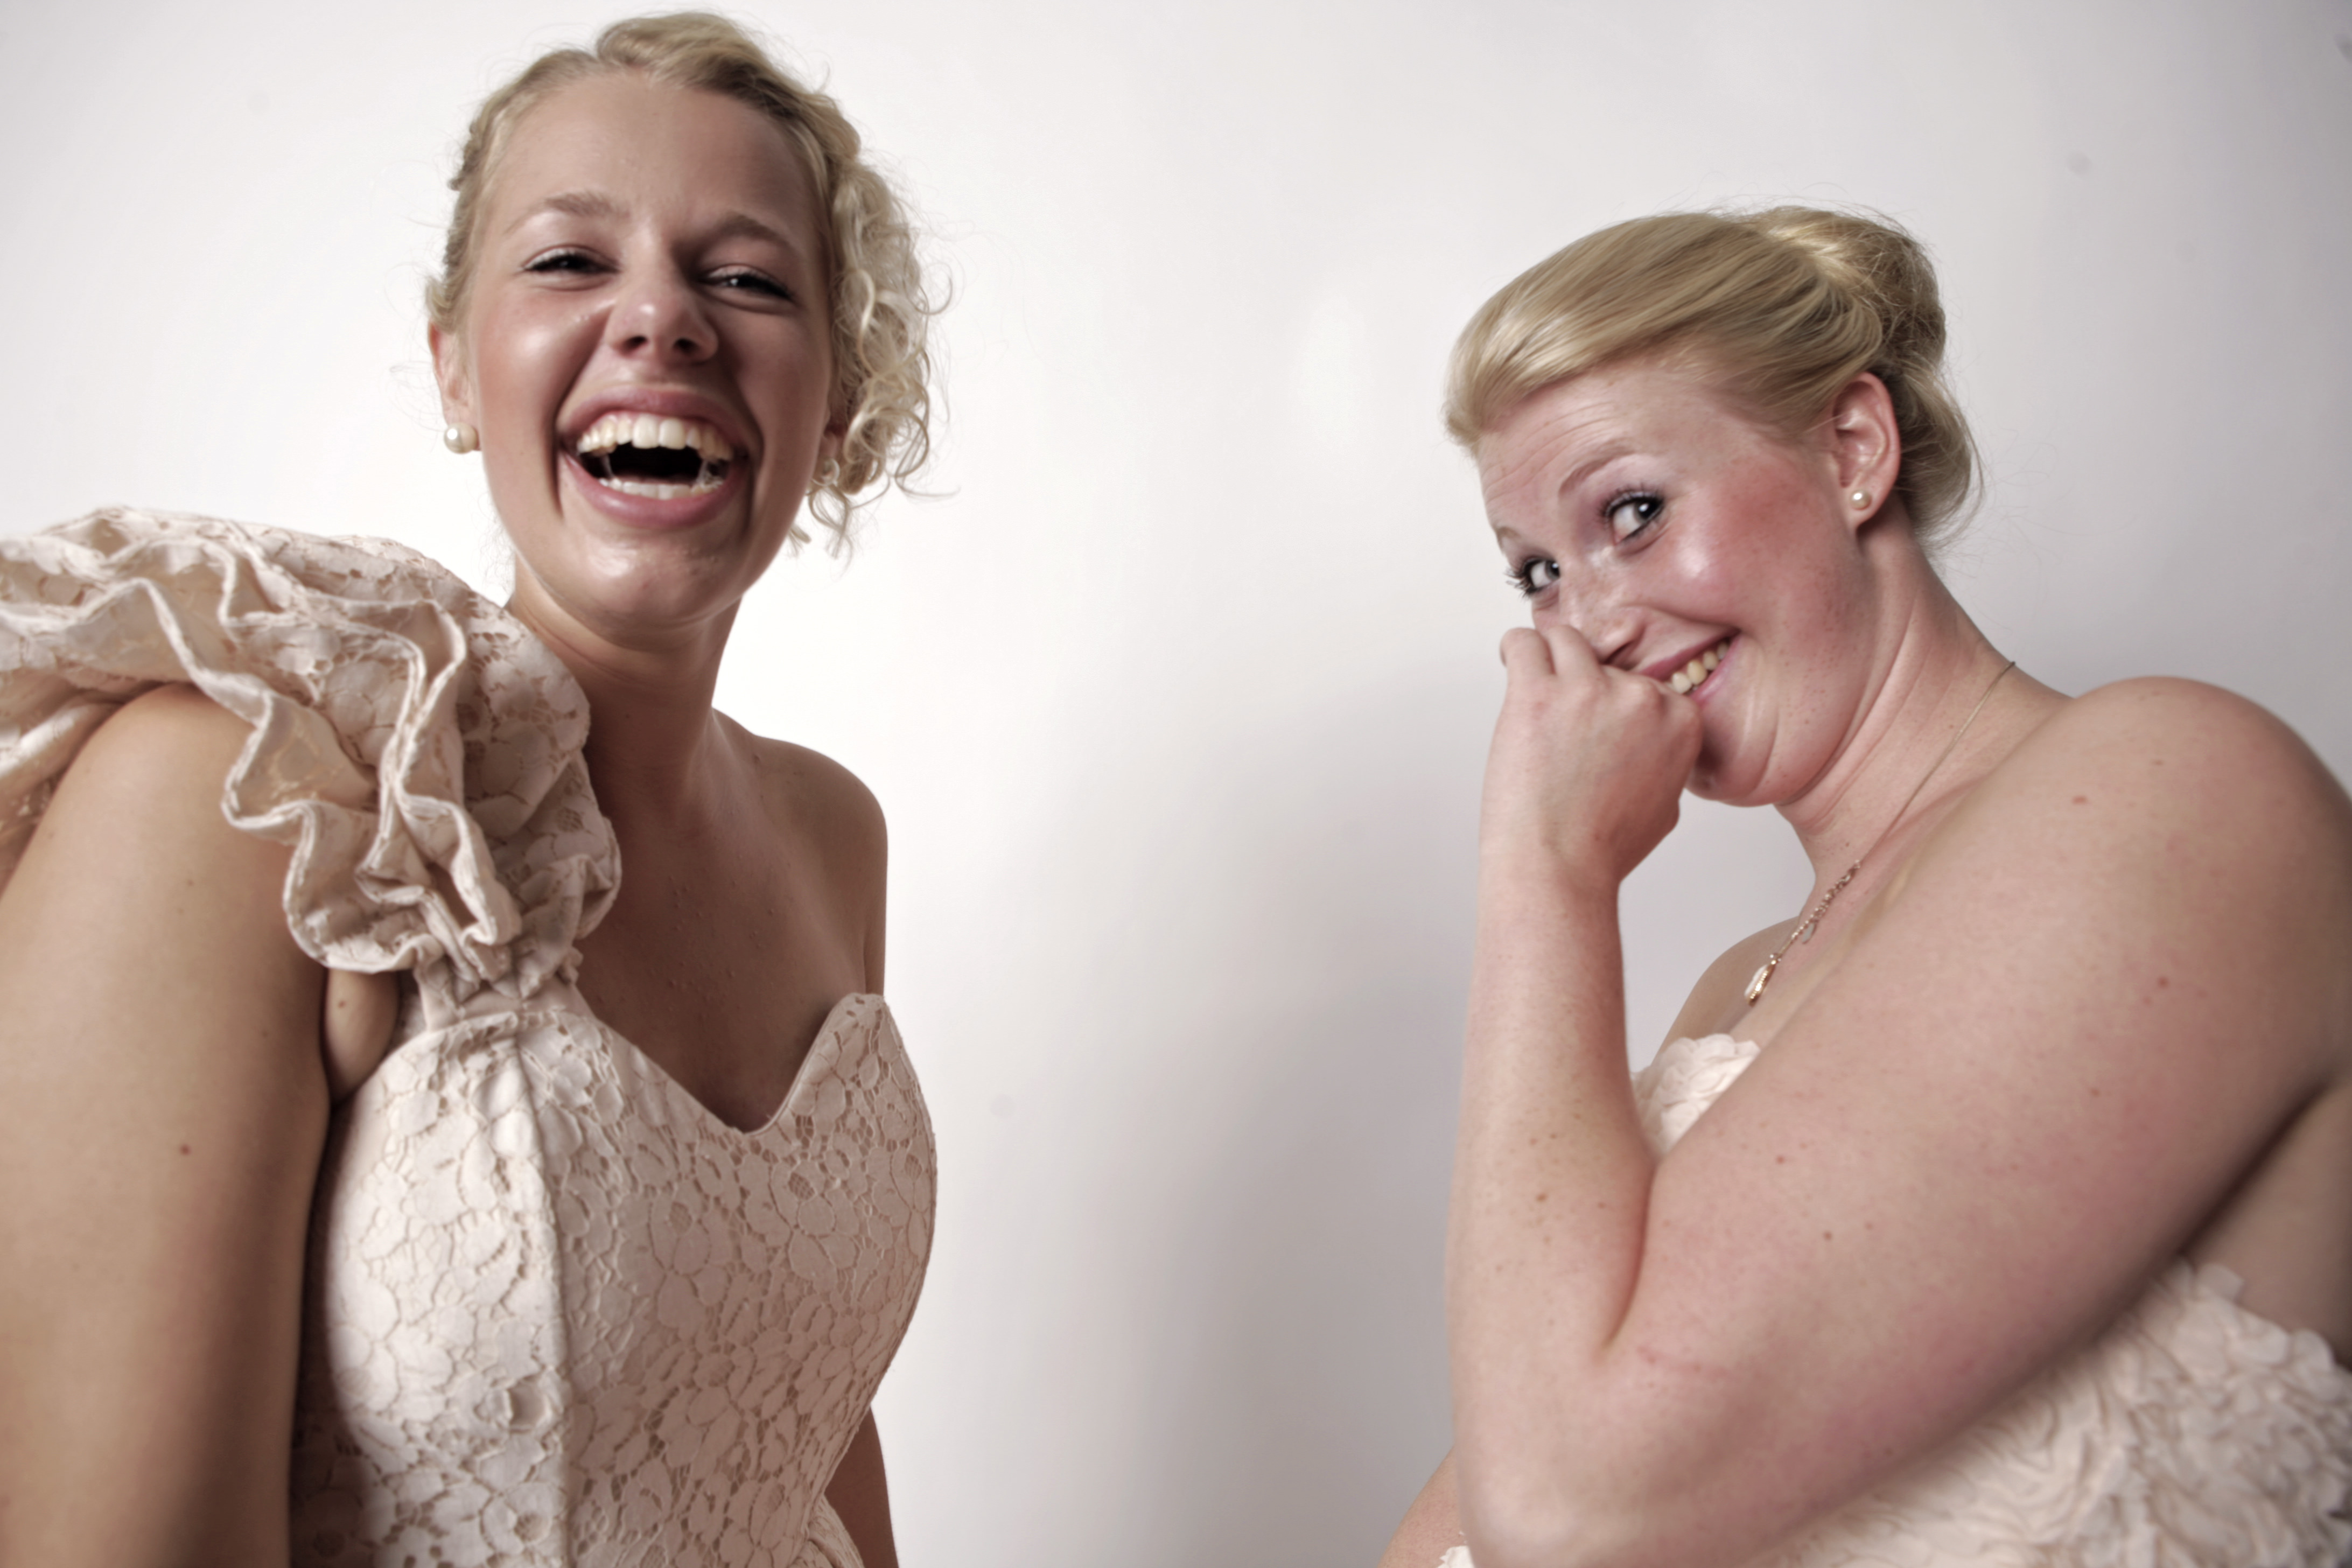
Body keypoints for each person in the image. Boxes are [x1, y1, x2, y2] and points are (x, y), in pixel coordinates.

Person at [0, 13, 937, 1566]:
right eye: (570, 262)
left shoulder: (834, 835)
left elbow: (809, 1430)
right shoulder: (241, 786)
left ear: (834, 402)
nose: (662, 320)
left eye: (749, 279)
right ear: (454, 367)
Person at [1379, 207, 2352, 1567]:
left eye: (1633, 513)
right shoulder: (1739, 987)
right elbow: (1469, 1526)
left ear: (1852, 450)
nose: (1587, 626)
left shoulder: (2179, 788)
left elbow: (1567, 1506)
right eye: (1539, 570)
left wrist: (1543, 872)